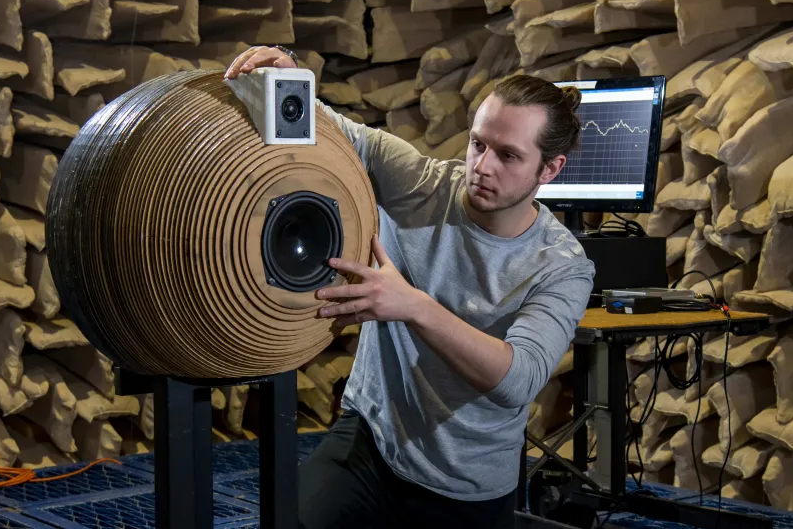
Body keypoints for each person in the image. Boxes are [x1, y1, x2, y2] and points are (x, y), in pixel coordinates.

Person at [225, 46, 596, 529]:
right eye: (478, 144)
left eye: (508, 156)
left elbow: (518, 379)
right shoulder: (423, 183)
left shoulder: (562, 266)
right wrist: (294, 81)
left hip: (466, 483)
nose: (482, 167)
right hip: (371, 441)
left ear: (550, 169)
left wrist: (414, 306)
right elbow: (338, 134)